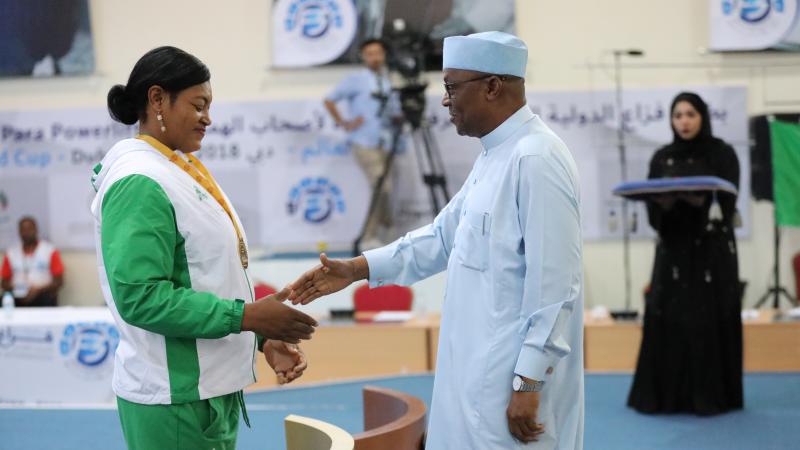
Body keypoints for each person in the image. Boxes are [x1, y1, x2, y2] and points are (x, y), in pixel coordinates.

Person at [293, 32, 584, 449]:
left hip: (511, 384)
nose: (444, 100)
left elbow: (557, 285)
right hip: (474, 374)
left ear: (491, 87)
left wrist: (529, 382)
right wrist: (356, 269)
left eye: (451, 87)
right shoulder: (494, 156)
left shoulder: (536, 159)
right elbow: (441, 238)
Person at [93, 46, 318, 449]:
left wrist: (260, 338)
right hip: (174, 398)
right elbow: (141, 297)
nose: (208, 119)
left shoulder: (177, 168)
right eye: (199, 105)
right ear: (157, 99)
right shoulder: (140, 181)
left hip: (208, 388)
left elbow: (206, 275)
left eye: (209, 106)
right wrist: (248, 317)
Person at [628, 92, 743, 415]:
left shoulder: (722, 153)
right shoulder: (662, 157)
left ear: (703, 117)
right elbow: (653, 212)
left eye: (690, 114)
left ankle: (711, 397)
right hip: (673, 251)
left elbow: (729, 202)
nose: (684, 121)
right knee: (670, 316)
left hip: (711, 253)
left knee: (707, 318)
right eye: (678, 115)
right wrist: (665, 206)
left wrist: (700, 203)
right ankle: (666, 397)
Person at [324, 38, 402, 247]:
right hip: (364, 140)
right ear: (363, 57)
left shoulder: (389, 80)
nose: (375, 58)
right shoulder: (355, 80)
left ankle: (386, 227)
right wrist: (344, 122)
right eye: (370, 54)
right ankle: (371, 234)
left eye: (378, 53)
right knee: (380, 185)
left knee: (387, 187)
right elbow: (329, 99)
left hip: (387, 141)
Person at [1, 216, 64, 307]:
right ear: (19, 232)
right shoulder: (11, 253)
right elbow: (4, 283)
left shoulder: (49, 251)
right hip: (17, 295)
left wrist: (37, 290)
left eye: (29, 229)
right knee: (4, 300)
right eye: (23, 230)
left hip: (42, 294)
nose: (26, 233)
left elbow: (59, 281)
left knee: (47, 299)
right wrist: (16, 289)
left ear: (36, 230)